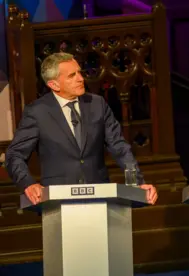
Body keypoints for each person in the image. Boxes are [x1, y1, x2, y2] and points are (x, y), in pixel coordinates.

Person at [5, 52, 157, 205]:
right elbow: (14, 154)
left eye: (79, 72)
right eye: (72, 75)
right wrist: (28, 184)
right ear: (54, 84)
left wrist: (137, 182)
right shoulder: (37, 112)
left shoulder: (97, 104)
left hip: (100, 196)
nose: (80, 78)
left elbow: (120, 147)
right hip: (57, 201)